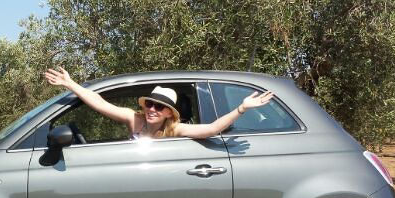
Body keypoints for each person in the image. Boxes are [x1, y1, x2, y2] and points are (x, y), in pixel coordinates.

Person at [44, 67, 274, 140]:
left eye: (160, 107)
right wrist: (70, 83)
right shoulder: (134, 119)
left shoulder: (175, 130)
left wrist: (241, 108)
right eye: (150, 104)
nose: (153, 110)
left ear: (169, 114)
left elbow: (212, 129)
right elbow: (100, 103)